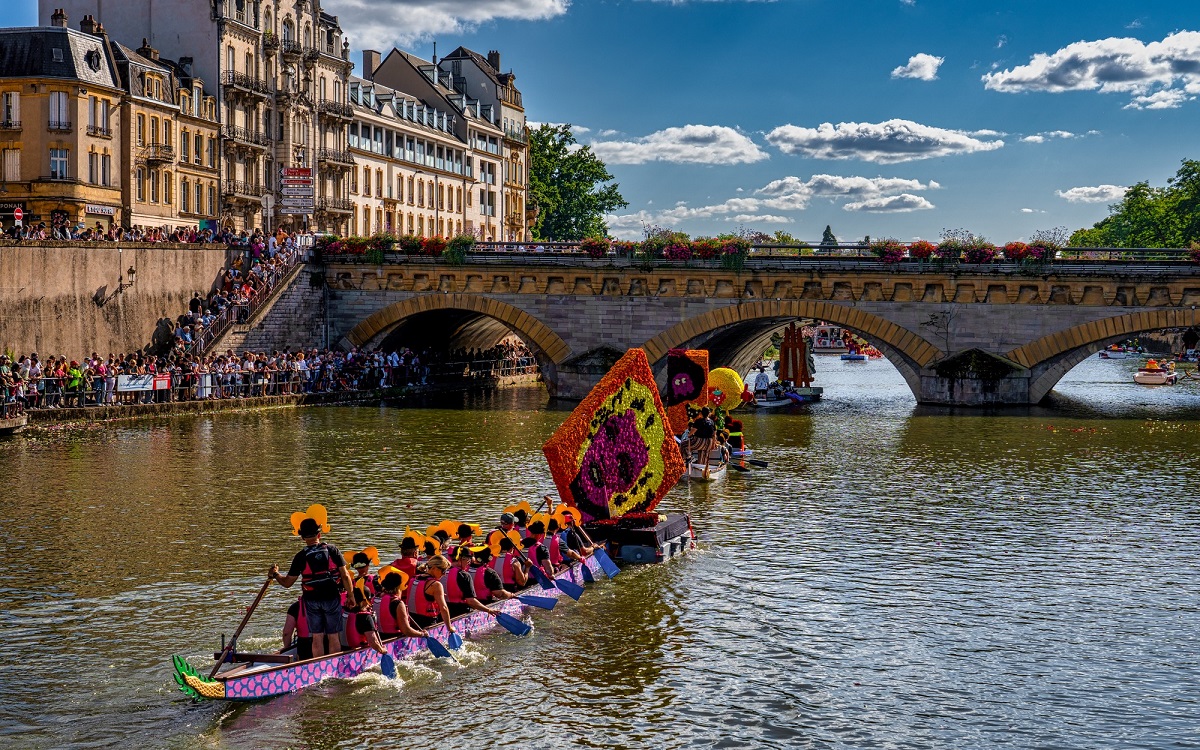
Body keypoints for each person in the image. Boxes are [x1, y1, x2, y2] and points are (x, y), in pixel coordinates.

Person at [269, 517, 355, 659]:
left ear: (302, 538)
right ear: (319, 535)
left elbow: (287, 583)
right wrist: (351, 595)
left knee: (317, 637)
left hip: (311, 600)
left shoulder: (300, 557)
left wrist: (276, 574)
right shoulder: (333, 550)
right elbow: (345, 576)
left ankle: (318, 667)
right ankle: (334, 667)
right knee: (333, 636)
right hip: (332, 597)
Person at [444, 545, 503, 618]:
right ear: (462, 558)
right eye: (468, 559)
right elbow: (471, 601)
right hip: (460, 612)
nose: (469, 562)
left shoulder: (441, 571)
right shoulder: (464, 575)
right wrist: (489, 610)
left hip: (443, 613)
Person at [405, 555, 456, 634]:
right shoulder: (435, 585)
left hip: (412, 622)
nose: (444, 574)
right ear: (434, 568)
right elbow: (444, 608)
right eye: (443, 571)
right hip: (428, 623)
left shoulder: (413, 579)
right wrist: (449, 628)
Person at [377, 571, 427, 640]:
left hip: (380, 637)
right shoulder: (398, 603)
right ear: (399, 586)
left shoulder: (376, 598)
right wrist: (422, 634)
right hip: (394, 639)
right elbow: (406, 631)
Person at [344, 589, 386, 654]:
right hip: (358, 655)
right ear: (363, 602)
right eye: (369, 600)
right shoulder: (365, 617)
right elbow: (373, 642)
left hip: (343, 652)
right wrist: (382, 650)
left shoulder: (341, 613)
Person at [282, 596, 313, 660]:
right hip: (326, 643)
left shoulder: (295, 607)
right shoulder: (329, 604)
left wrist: (287, 649)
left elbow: (286, 633)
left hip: (305, 646)